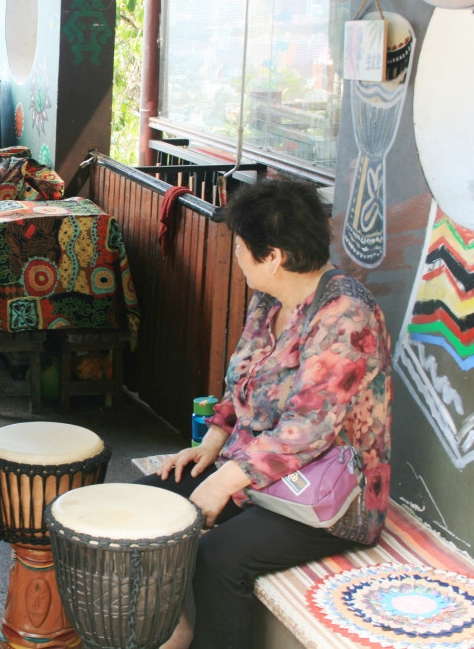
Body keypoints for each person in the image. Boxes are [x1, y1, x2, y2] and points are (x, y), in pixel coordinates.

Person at [141, 179, 393, 649]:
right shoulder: (269, 298)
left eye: (240, 247)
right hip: (254, 472)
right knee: (147, 503)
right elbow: (245, 382)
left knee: (218, 557)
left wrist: (221, 482)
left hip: (329, 497)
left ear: (273, 256)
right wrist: (211, 442)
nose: (236, 256)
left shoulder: (346, 314)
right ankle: (174, 630)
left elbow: (308, 431)